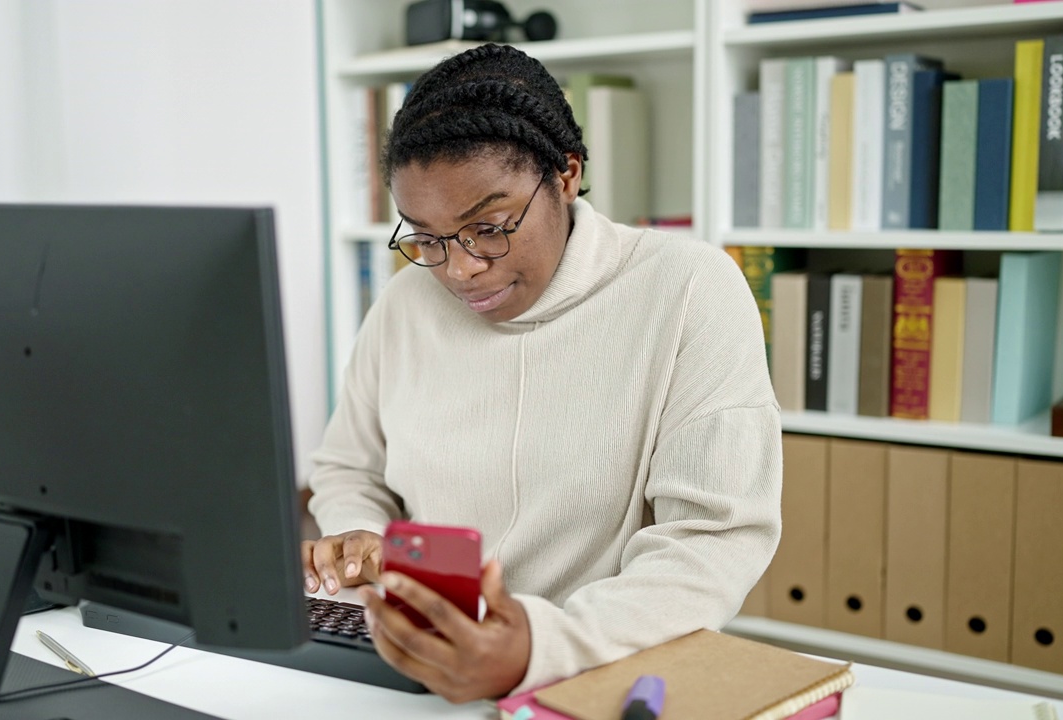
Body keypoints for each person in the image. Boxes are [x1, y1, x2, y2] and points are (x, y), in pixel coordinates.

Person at [302, 43, 782, 703]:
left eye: (489, 226)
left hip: (595, 682)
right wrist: (362, 537)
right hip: (412, 674)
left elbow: (710, 544)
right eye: (426, 238)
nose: (460, 269)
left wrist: (535, 646)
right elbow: (349, 469)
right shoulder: (406, 302)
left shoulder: (688, 289)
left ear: (565, 175)